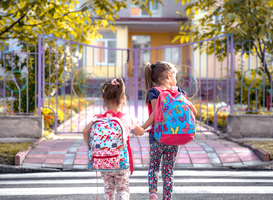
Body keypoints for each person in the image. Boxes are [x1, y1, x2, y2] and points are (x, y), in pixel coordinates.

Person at [141, 61, 197, 200]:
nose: (175, 79)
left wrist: (141, 128)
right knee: (168, 170)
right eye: (175, 76)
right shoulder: (180, 92)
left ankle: (153, 193)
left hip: (157, 137)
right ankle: (167, 197)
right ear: (168, 75)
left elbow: (154, 115)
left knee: (154, 167)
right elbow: (193, 112)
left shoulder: (154, 92)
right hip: (176, 136)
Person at [83, 77, 144, 200]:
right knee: (123, 189)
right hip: (120, 162)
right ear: (122, 99)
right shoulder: (127, 118)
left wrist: (91, 146)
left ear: (104, 99)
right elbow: (140, 132)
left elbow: (85, 131)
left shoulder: (97, 118)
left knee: (108, 189)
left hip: (103, 162)